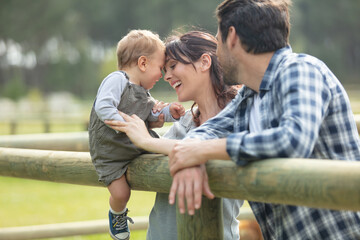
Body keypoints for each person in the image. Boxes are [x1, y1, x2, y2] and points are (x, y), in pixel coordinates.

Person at [166, 0, 360, 239]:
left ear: (233, 37)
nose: (216, 52)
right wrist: (191, 158)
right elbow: (207, 131)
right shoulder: (248, 96)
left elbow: (294, 140)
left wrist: (203, 151)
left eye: (217, 41)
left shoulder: (300, 69)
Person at [105, 31, 243, 240]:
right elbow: (150, 156)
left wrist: (147, 140)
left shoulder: (238, 116)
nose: (167, 76)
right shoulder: (185, 122)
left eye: (173, 66)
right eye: (164, 69)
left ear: (205, 62)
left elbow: (218, 149)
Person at [88, 29, 185, 240]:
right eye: (160, 68)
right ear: (142, 63)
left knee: (163, 160)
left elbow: (150, 113)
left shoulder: (143, 91)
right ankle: (117, 214)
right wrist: (127, 125)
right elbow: (103, 107)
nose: (162, 75)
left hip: (133, 147)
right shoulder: (116, 80)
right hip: (110, 152)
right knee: (122, 194)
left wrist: (168, 113)